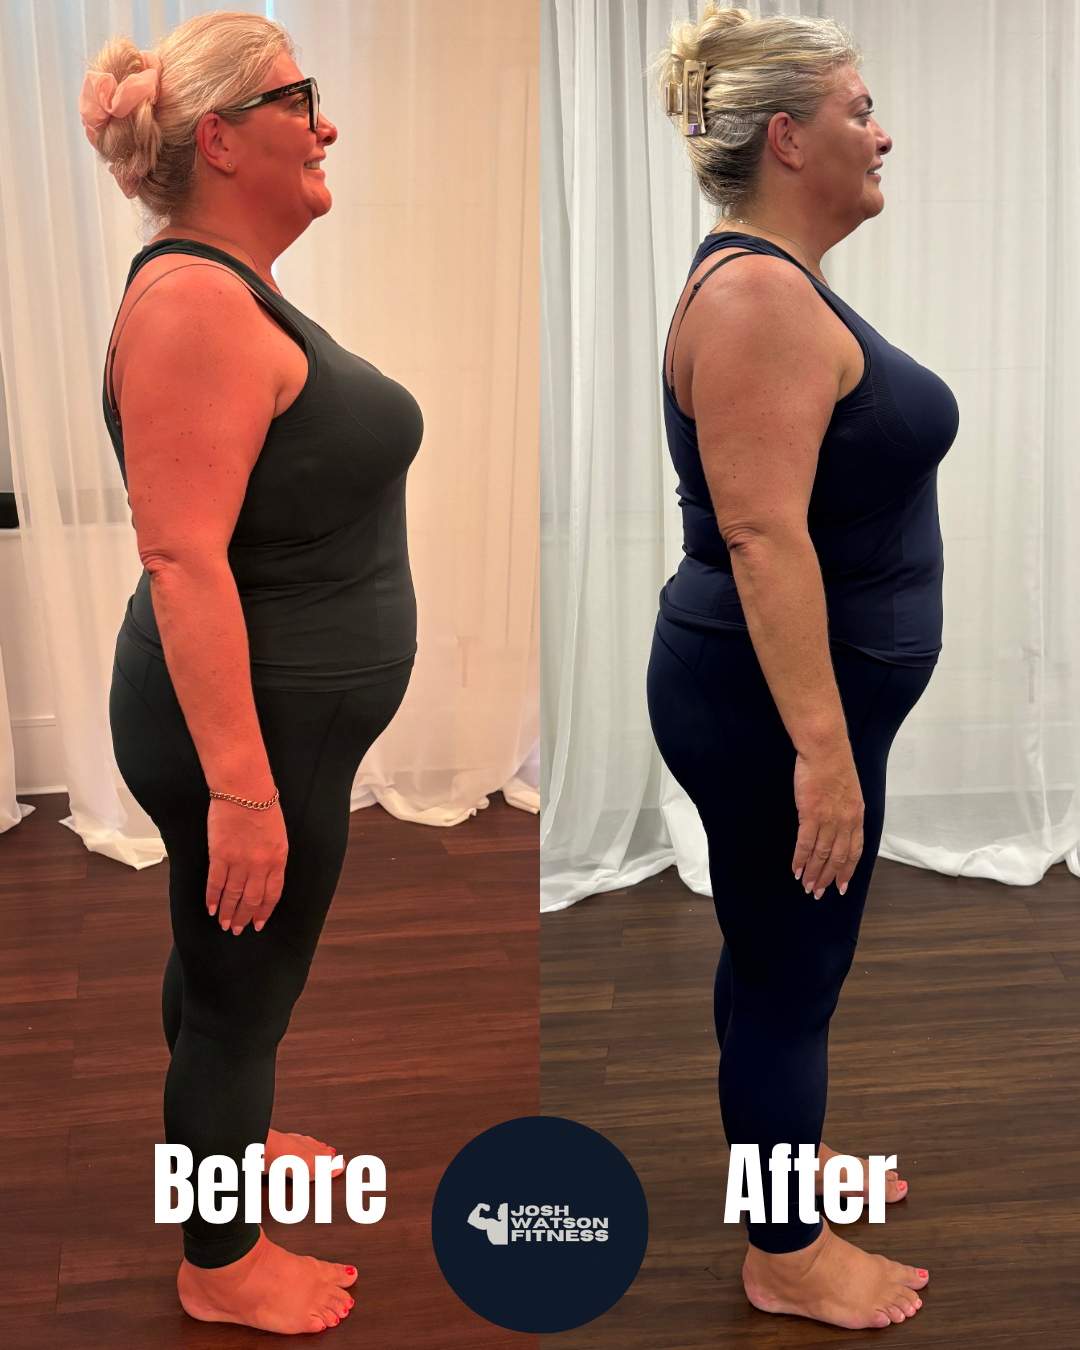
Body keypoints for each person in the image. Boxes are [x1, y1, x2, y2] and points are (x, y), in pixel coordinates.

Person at [83, 11, 423, 1334]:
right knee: (240, 995)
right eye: (303, 100)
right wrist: (243, 791)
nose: (326, 122)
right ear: (222, 139)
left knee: (227, 976)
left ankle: (231, 1139)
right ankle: (218, 1259)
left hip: (281, 724)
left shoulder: (227, 289)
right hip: (246, 734)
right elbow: (181, 558)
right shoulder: (189, 305)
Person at [647, 6, 956, 1331]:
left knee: (771, 950)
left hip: (779, 694)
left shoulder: (772, 279)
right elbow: (766, 536)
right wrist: (824, 756)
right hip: (776, 705)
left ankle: (775, 1170)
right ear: (787, 135)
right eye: (857, 110)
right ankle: (782, 1252)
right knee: (792, 972)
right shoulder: (762, 295)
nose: (882, 133)